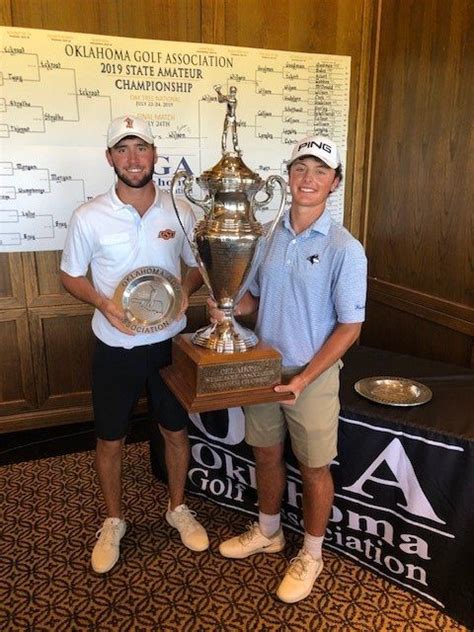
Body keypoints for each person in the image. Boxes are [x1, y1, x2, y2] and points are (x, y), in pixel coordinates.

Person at [214, 135, 367, 603]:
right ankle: (269, 531)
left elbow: (350, 327)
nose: (308, 178)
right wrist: (229, 306)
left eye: (320, 171)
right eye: (300, 168)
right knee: (264, 453)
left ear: (334, 182)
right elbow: (255, 301)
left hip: (312, 375)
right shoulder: (267, 235)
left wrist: (302, 379)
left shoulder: (345, 248)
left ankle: (313, 554)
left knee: (314, 466)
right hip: (263, 367)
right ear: (288, 175)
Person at [60, 114, 208, 574]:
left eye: (140, 148)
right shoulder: (88, 215)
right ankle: (114, 519)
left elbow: (197, 264)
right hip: (114, 345)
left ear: (154, 155)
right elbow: (69, 275)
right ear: (110, 159)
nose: (133, 158)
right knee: (111, 437)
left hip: (168, 345)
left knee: (175, 430)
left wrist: (186, 290)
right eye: (122, 150)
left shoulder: (180, 211)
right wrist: (103, 303)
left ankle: (177, 507)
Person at [214, 84, 241, 154]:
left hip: (233, 118)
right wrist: (218, 92)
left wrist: (218, 91)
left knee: (234, 133)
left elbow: (225, 99)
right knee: (225, 133)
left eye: (234, 92)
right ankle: (223, 148)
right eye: (232, 92)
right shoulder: (228, 98)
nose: (233, 93)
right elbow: (220, 100)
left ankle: (236, 147)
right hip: (228, 118)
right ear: (230, 92)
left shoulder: (234, 100)